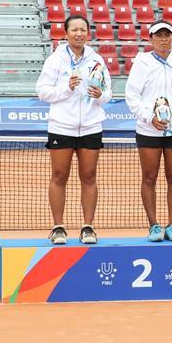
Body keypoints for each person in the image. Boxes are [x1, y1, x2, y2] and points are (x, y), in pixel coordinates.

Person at [35, 15, 111, 245]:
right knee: (59, 176)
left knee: (89, 177)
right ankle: (58, 227)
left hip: (90, 126)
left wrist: (101, 96)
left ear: (88, 33)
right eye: (74, 30)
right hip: (61, 126)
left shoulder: (96, 60)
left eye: (83, 30)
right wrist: (65, 89)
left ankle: (88, 227)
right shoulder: (55, 60)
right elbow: (42, 91)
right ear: (66, 33)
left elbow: (108, 93)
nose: (79, 33)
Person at [124, 21, 172, 242]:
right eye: (159, 35)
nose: (163, 39)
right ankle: (154, 226)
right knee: (149, 177)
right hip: (149, 129)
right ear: (151, 39)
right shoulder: (142, 63)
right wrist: (150, 117)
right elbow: (132, 96)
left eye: (167, 35)